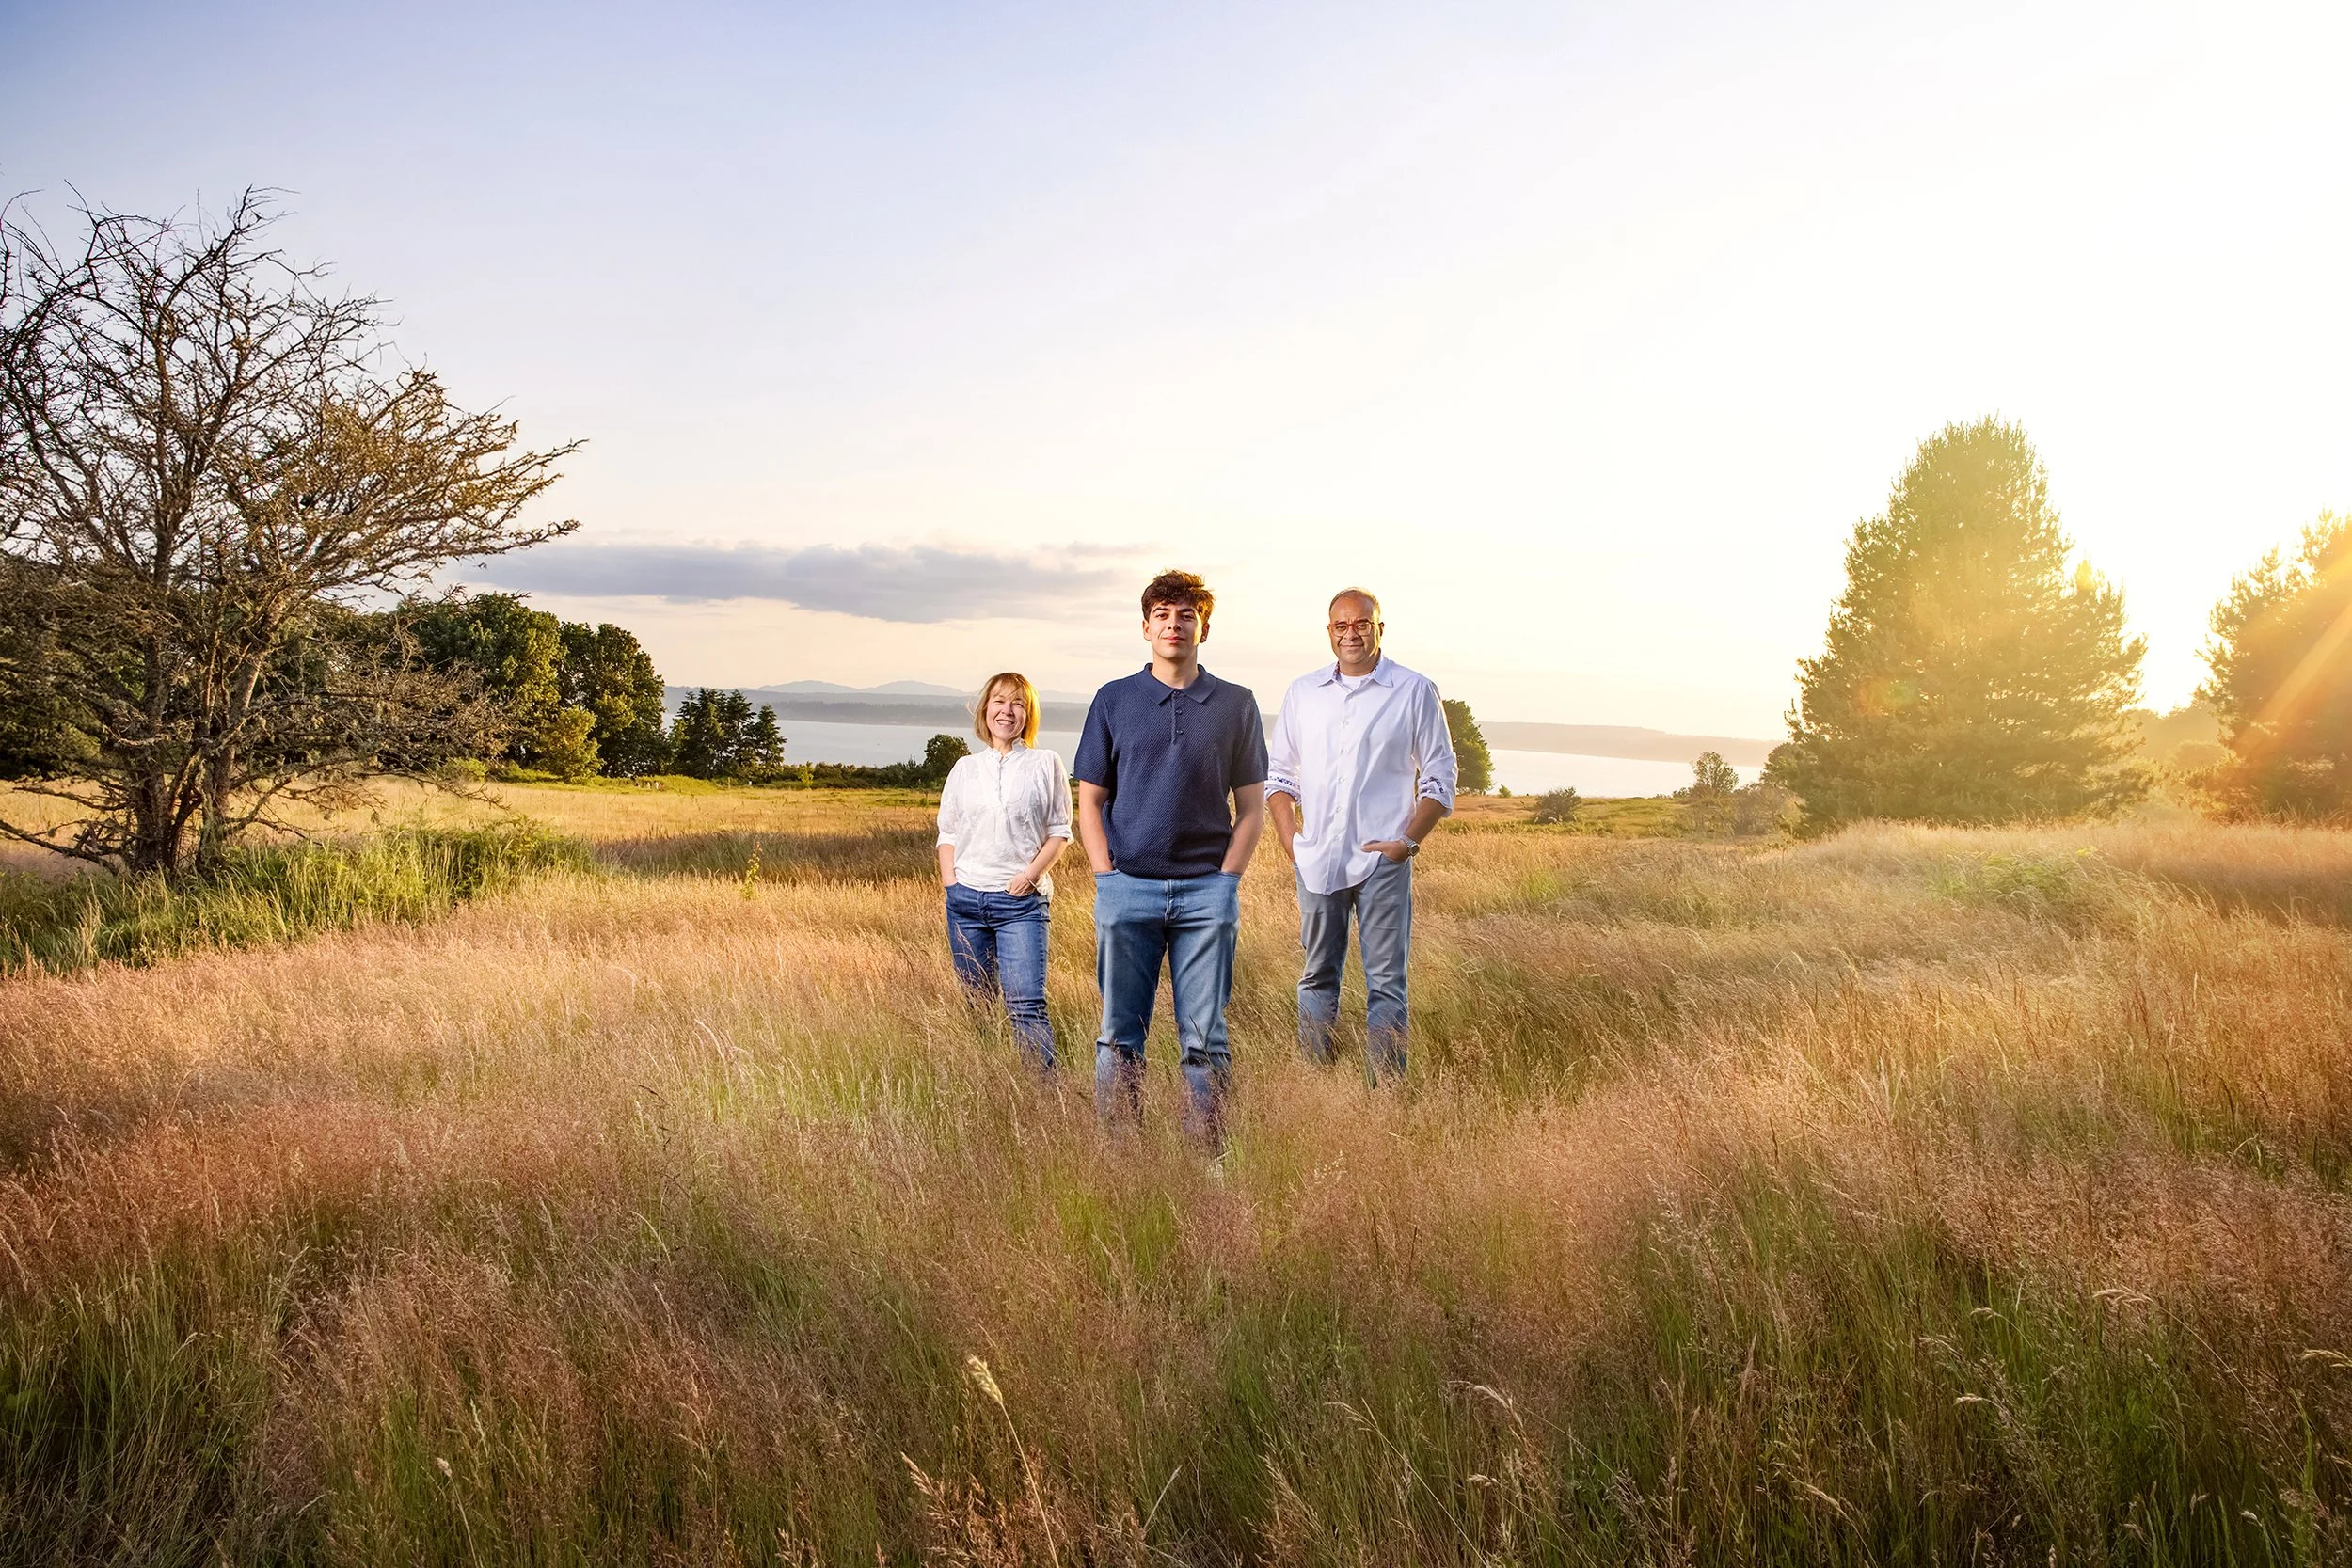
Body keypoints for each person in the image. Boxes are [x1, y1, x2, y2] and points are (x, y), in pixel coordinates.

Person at [1074, 571, 1268, 1143]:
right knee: (1118, 1034)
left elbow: (1252, 806)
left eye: (1185, 614)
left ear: (1203, 627)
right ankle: (1121, 1157)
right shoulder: (1114, 699)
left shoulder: (1236, 703)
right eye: (1162, 614)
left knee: (1205, 1038)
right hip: (1126, 887)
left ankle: (1207, 1160)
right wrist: (1106, 877)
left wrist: (1226, 880)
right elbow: (1089, 801)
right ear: (1145, 627)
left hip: (1206, 892)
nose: (1174, 624)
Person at [1264, 588, 1457, 1082]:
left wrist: (1406, 843)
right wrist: (1291, 841)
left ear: (1379, 628)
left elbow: (1440, 776)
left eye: (1362, 624)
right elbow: (1279, 775)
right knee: (1316, 977)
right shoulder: (1303, 692)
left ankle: (1386, 1093)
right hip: (1317, 860)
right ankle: (1316, 1084)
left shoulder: (1414, 691)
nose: (1351, 634)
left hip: (1382, 862)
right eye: (1340, 626)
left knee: (1387, 983)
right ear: (1329, 631)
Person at [936, 672, 1072, 1070]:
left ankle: (1042, 1098)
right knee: (977, 1006)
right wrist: (952, 884)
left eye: (1017, 703)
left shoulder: (1046, 763)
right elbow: (948, 831)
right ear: (985, 709)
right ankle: (989, 1090)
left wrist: (1029, 876)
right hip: (965, 903)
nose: (1007, 711)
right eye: (999, 701)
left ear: (1028, 714)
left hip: (1021, 906)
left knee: (1026, 1007)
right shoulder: (964, 768)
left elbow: (1060, 833)